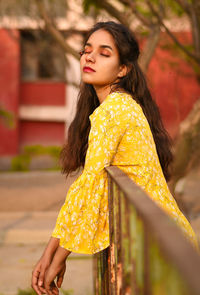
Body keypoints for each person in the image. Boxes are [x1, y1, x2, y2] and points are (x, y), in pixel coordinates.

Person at [31, 21, 198, 295]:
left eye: (104, 53)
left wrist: (55, 258)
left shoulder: (114, 110)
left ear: (123, 69)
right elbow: (87, 186)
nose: (90, 57)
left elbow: (92, 184)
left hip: (158, 247)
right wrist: (51, 252)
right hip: (162, 238)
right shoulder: (118, 105)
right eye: (87, 50)